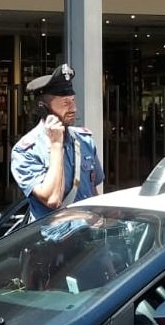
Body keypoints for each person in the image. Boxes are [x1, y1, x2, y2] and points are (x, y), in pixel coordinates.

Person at [10, 64, 103, 221]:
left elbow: (93, 190)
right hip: (53, 234)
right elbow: (53, 199)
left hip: (88, 231)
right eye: (65, 103)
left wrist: (102, 218)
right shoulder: (25, 151)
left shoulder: (84, 140)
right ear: (43, 108)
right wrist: (56, 145)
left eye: (73, 100)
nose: (73, 108)